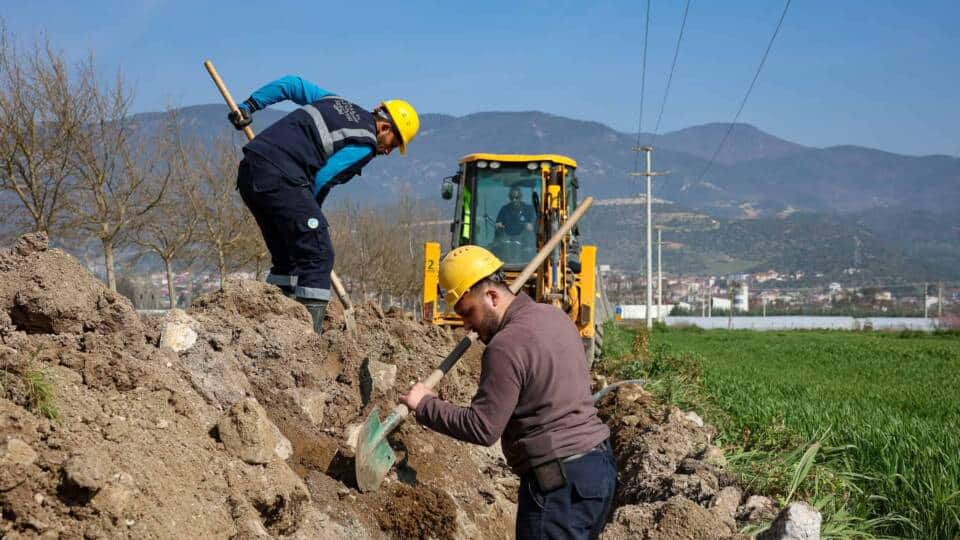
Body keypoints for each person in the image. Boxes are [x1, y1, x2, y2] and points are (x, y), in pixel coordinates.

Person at [401, 246, 616, 539]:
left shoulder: (505, 346)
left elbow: (483, 427)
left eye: (467, 312)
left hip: (558, 487)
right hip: (597, 471)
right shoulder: (555, 317)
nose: (466, 325)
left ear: (492, 296)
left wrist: (425, 404)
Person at [228, 75, 419, 335]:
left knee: (288, 258)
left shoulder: (334, 102)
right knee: (318, 253)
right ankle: (307, 342)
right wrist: (311, 218)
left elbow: (292, 84)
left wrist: (250, 105)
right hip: (281, 177)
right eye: (393, 145)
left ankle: (272, 325)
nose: (387, 152)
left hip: (252, 171)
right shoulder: (365, 143)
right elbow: (321, 180)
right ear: (385, 128)